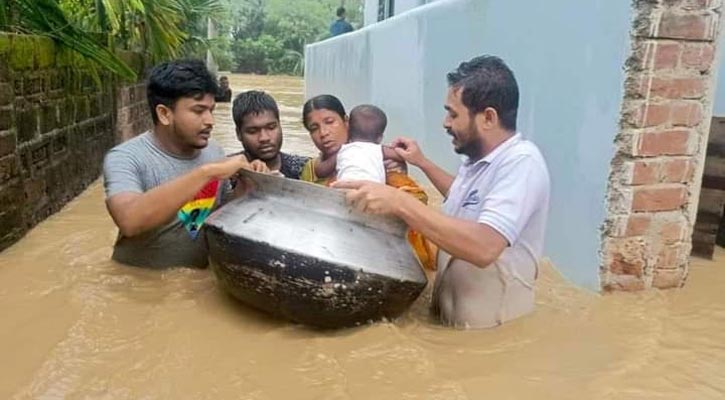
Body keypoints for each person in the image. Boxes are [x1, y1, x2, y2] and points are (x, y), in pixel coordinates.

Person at [334, 55, 551, 329]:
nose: (445, 123)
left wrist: (400, 202)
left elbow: (485, 247)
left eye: (453, 113)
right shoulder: (477, 162)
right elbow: (464, 200)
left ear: (488, 118)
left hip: (486, 341)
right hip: (451, 327)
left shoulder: (522, 163)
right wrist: (421, 162)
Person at [103, 59, 266, 269]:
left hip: (192, 284)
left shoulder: (214, 152)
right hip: (138, 286)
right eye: (198, 111)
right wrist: (209, 172)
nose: (210, 121)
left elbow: (205, 219)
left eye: (211, 110)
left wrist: (245, 190)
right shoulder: (126, 157)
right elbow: (130, 221)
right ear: (164, 114)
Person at [301, 95, 435, 270]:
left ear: (346, 121)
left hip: (379, 255)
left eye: (330, 122)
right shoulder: (310, 169)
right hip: (329, 250)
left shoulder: (382, 162)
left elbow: (417, 205)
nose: (323, 133)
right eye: (314, 128)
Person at [313, 104, 403, 184]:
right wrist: (398, 150)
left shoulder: (344, 150)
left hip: (344, 189)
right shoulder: (379, 149)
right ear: (379, 138)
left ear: (349, 130)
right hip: (372, 192)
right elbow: (401, 155)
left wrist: (321, 158)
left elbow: (320, 171)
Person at [231, 90, 310, 179]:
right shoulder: (226, 173)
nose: (264, 138)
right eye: (253, 131)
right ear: (239, 134)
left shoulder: (303, 169)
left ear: (280, 125)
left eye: (271, 127)